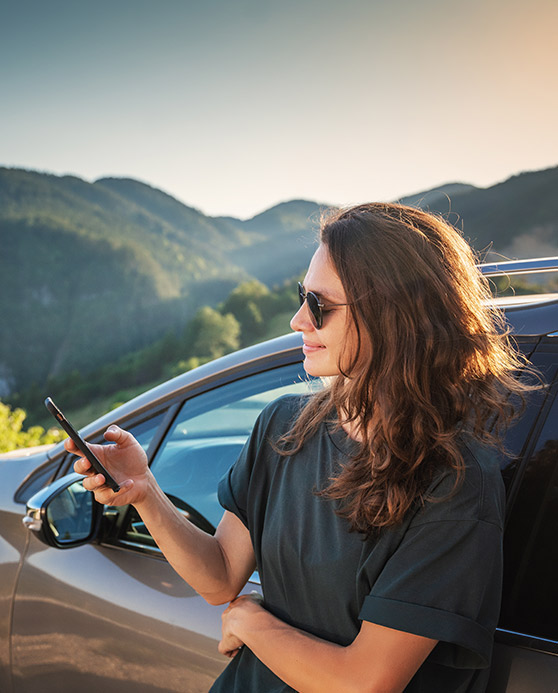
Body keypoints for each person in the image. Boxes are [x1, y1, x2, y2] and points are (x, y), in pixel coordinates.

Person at [68, 203, 530, 692]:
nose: (296, 320)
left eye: (319, 305)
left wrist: (252, 622)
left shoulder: (455, 485)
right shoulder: (285, 425)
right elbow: (222, 575)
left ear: (395, 318)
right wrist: (145, 492)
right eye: (302, 298)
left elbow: (364, 684)